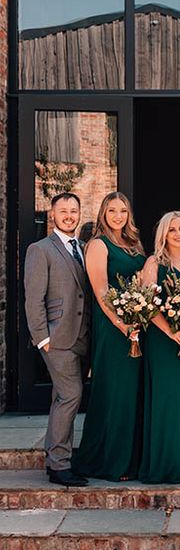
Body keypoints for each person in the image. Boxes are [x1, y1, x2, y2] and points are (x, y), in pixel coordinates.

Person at [72, 192, 146, 481]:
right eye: (112, 210)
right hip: (114, 330)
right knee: (115, 393)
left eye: (123, 211)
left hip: (138, 326)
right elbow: (101, 291)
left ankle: (132, 459)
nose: (118, 216)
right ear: (103, 213)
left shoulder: (133, 244)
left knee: (133, 394)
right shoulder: (98, 245)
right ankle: (109, 462)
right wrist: (121, 324)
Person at [23, 192, 90, 487]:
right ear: (53, 214)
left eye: (74, 211)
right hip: (57, 336)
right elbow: (33, 297)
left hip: (84, 336)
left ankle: (56, 461)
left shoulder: (85, 248)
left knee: (62, 398)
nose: (69, 216)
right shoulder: (40, 249)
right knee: (70, 395)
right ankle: (60, 465)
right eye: (63, 211)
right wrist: (42, 338)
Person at [138, 211, 180, 484]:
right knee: (167, 400)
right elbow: (148, 305)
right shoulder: (154, 262)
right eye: (171, 230)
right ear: (163, 235)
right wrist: (171, 331)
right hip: (164, 342)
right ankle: (165, 466)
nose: (178, 234)